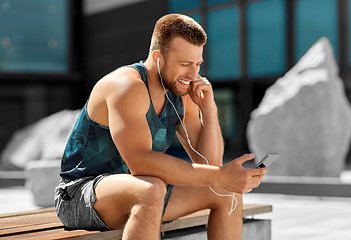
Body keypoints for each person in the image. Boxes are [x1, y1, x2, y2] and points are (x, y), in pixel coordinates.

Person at [55, 13, 267, 240]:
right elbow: (140, 162)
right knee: (151, 189)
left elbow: (208, 164)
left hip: (144, 191)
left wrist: (209, 111)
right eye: (184, 64)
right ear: (157, 57)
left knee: (226, 193)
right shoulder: (127, 86)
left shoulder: (181, 93)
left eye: (198, 64)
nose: (193, 75)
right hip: (81, 195)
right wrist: (218, 176)